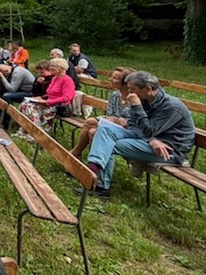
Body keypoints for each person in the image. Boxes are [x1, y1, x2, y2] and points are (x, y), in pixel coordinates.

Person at [77, 71, 195, 199]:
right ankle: (92, 174)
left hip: (169, 150)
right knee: (104, 130)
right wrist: (151, 139)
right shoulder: (145, 99)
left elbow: (149, 130)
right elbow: (132, 123)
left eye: (132, 89)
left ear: (148, 89)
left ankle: (99, 185)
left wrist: (137, 107)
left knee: (109, 143)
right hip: (150, 141)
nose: (129, 93)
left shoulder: (171, 107)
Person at [71, 67, 136, 159]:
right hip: (113, 126)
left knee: (93, 131)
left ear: (126, 83)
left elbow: (134, 121)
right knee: (91, 125)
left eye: (115, 78)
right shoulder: (115, 95)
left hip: (128, 131)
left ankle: (80, 156)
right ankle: (83, 157)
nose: (110, 79)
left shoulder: (135, 99)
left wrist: (119, 120)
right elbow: (110, 114)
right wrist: (113, 119)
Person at [17, 57, 75, 135]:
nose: (50, 68)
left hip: (58, 106)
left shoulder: (67, 80)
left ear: (60, 68)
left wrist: (48, 101)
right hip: (48, 102)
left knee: (30, 108)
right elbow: (51, 93)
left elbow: (67, 98)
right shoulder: (55, 78)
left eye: (53, 66)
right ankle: (26, 129)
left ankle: (36, 133)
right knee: (25, 104)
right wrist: (41, 98)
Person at [0, 63, 35, 129]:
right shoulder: (10, 71)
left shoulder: (17, 72)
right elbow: (3, 88)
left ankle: (8, 121)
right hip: (20, 90)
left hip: (29, 93)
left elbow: (12, 89)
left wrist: (2, 77)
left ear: (6, 71)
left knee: (7, 96)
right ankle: (0, 116)